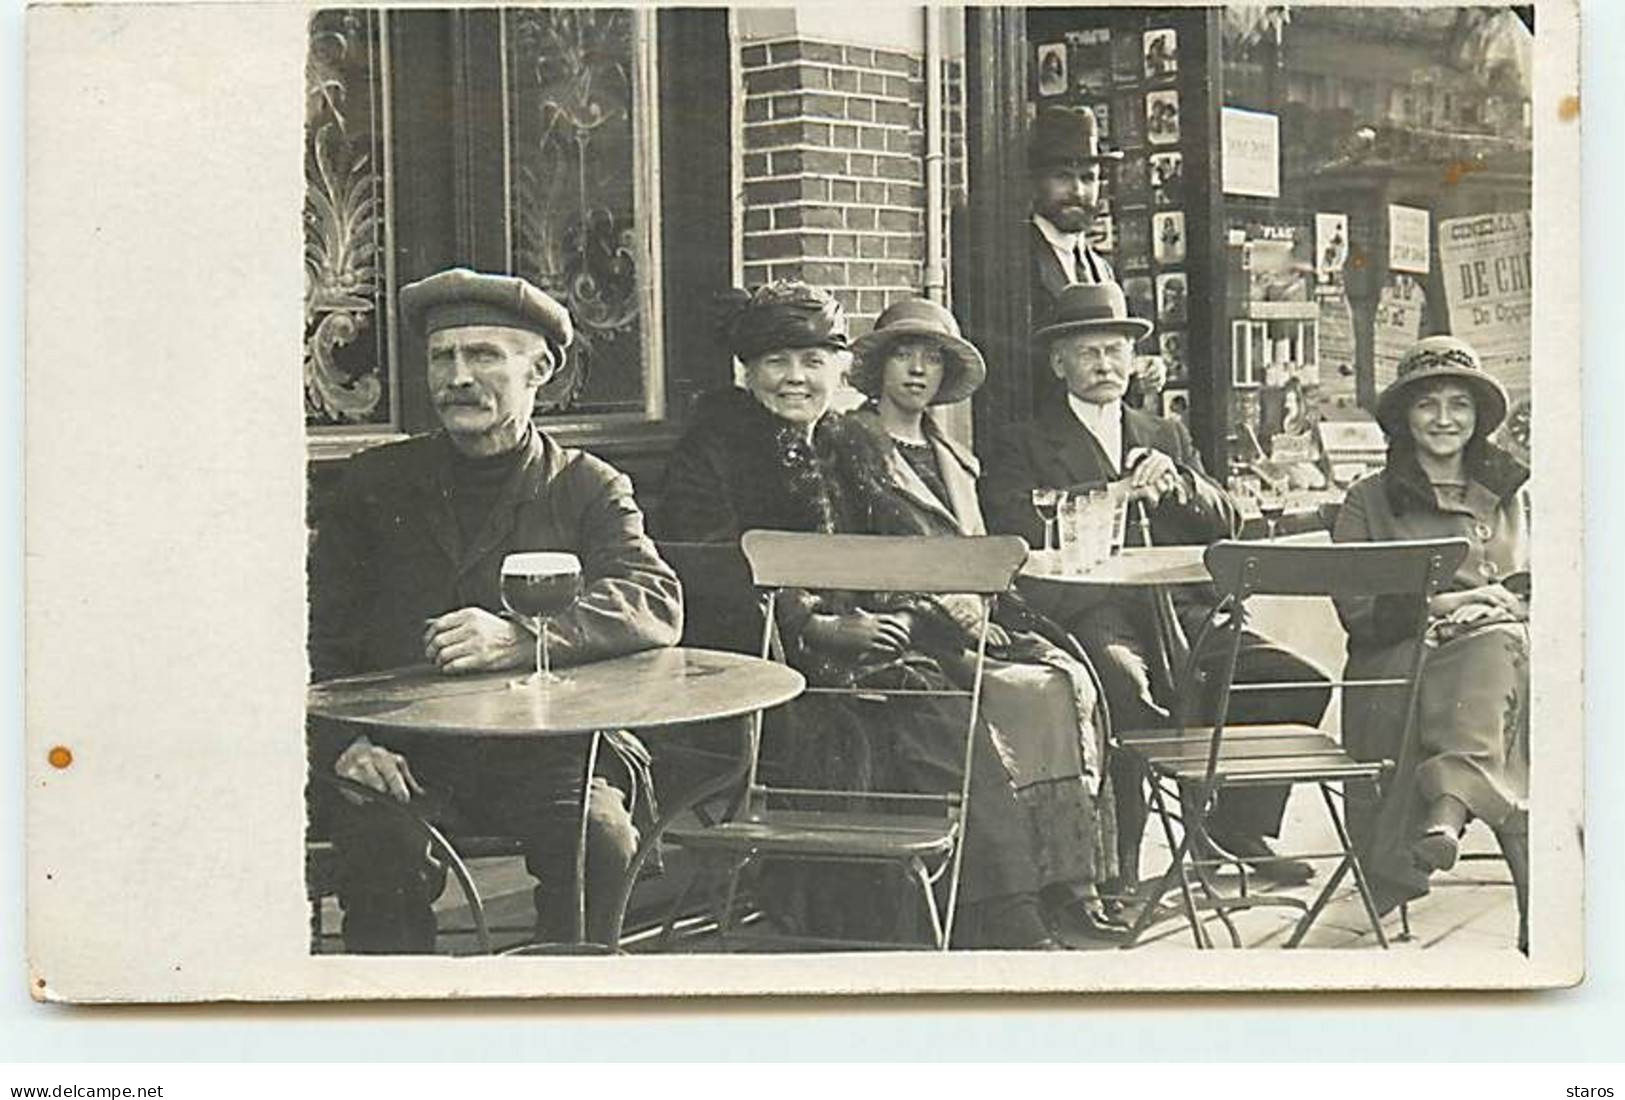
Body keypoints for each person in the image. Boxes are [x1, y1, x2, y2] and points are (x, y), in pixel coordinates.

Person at [658, 281, 1070, 949]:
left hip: (867, 656)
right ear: (748, 370)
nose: (795, 379)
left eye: (812, 362)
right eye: (776, 363)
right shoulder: (713, 449)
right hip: (763, 670)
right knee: (887, 728)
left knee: (943, 708)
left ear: (837, 369)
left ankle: (990, 920)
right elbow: (700, 566)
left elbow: (899, 550)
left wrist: (902, 616)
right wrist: (809, 623)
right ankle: (933, 930)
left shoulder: (848, 446)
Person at [308, 268, 683, 952]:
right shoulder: (373, 483)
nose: (458, 377)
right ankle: (394, 1031)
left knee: (599, 839)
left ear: (538, 370)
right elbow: (308, 632)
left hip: (541, 750)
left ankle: (568, 1015)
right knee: (378, 848)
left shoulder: (585, 486)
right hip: (399, 749)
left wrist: (523, 634)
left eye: (484, 355)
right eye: (442, 357)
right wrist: (340, 747)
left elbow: (652, 598)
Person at [981, 282, 1331, 893]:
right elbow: (1011, 523)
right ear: (1059, 362)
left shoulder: (1163, 433)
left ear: (1134, 359)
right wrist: (1109, 495)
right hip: (1093, 611)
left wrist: (1178, 486)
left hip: (1183, 608)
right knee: (1128, 693)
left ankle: (1233, 829)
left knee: (1293, 679)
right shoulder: (1024, 440)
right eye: (1087, 351)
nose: (1104, 364)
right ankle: (1124, 863)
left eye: (1115, 350)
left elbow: (1228, 521)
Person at [845, 296, 1128, 939]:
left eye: (931, 360)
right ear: (879, 368)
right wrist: (952, 613)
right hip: (909, 629)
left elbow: (979, 549)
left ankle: (1072, 881)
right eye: (903, 357)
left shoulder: (953, 453)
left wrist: (991, 604)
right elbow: (864, 555)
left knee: (1070, 681)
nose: (918, 372)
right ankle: (1017, 890)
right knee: (1023, 695)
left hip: (978, 612)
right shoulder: (853, 444)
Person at [1332, 335, 1530, 948]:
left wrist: (1499, 607)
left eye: (1459, 405)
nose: (1445, 419)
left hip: (1500, 653)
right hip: (1398, 662)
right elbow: (1359, 613)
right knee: (1502, 685)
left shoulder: (1508, 491)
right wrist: (1452, 607)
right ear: (1403, 417)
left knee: (1498, 649)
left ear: (1477, 418)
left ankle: (1450, 803)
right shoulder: (1369, 497)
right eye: (1427, 405)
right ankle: (1528, 894)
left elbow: (1528, 583)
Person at [1028, 106, 1163, 408]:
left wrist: (1137, 370)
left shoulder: (1101, 269)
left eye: (1088, 178)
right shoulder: (1017, 260)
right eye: (1063, 177)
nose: (1077, 190)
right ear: (1037, 181)